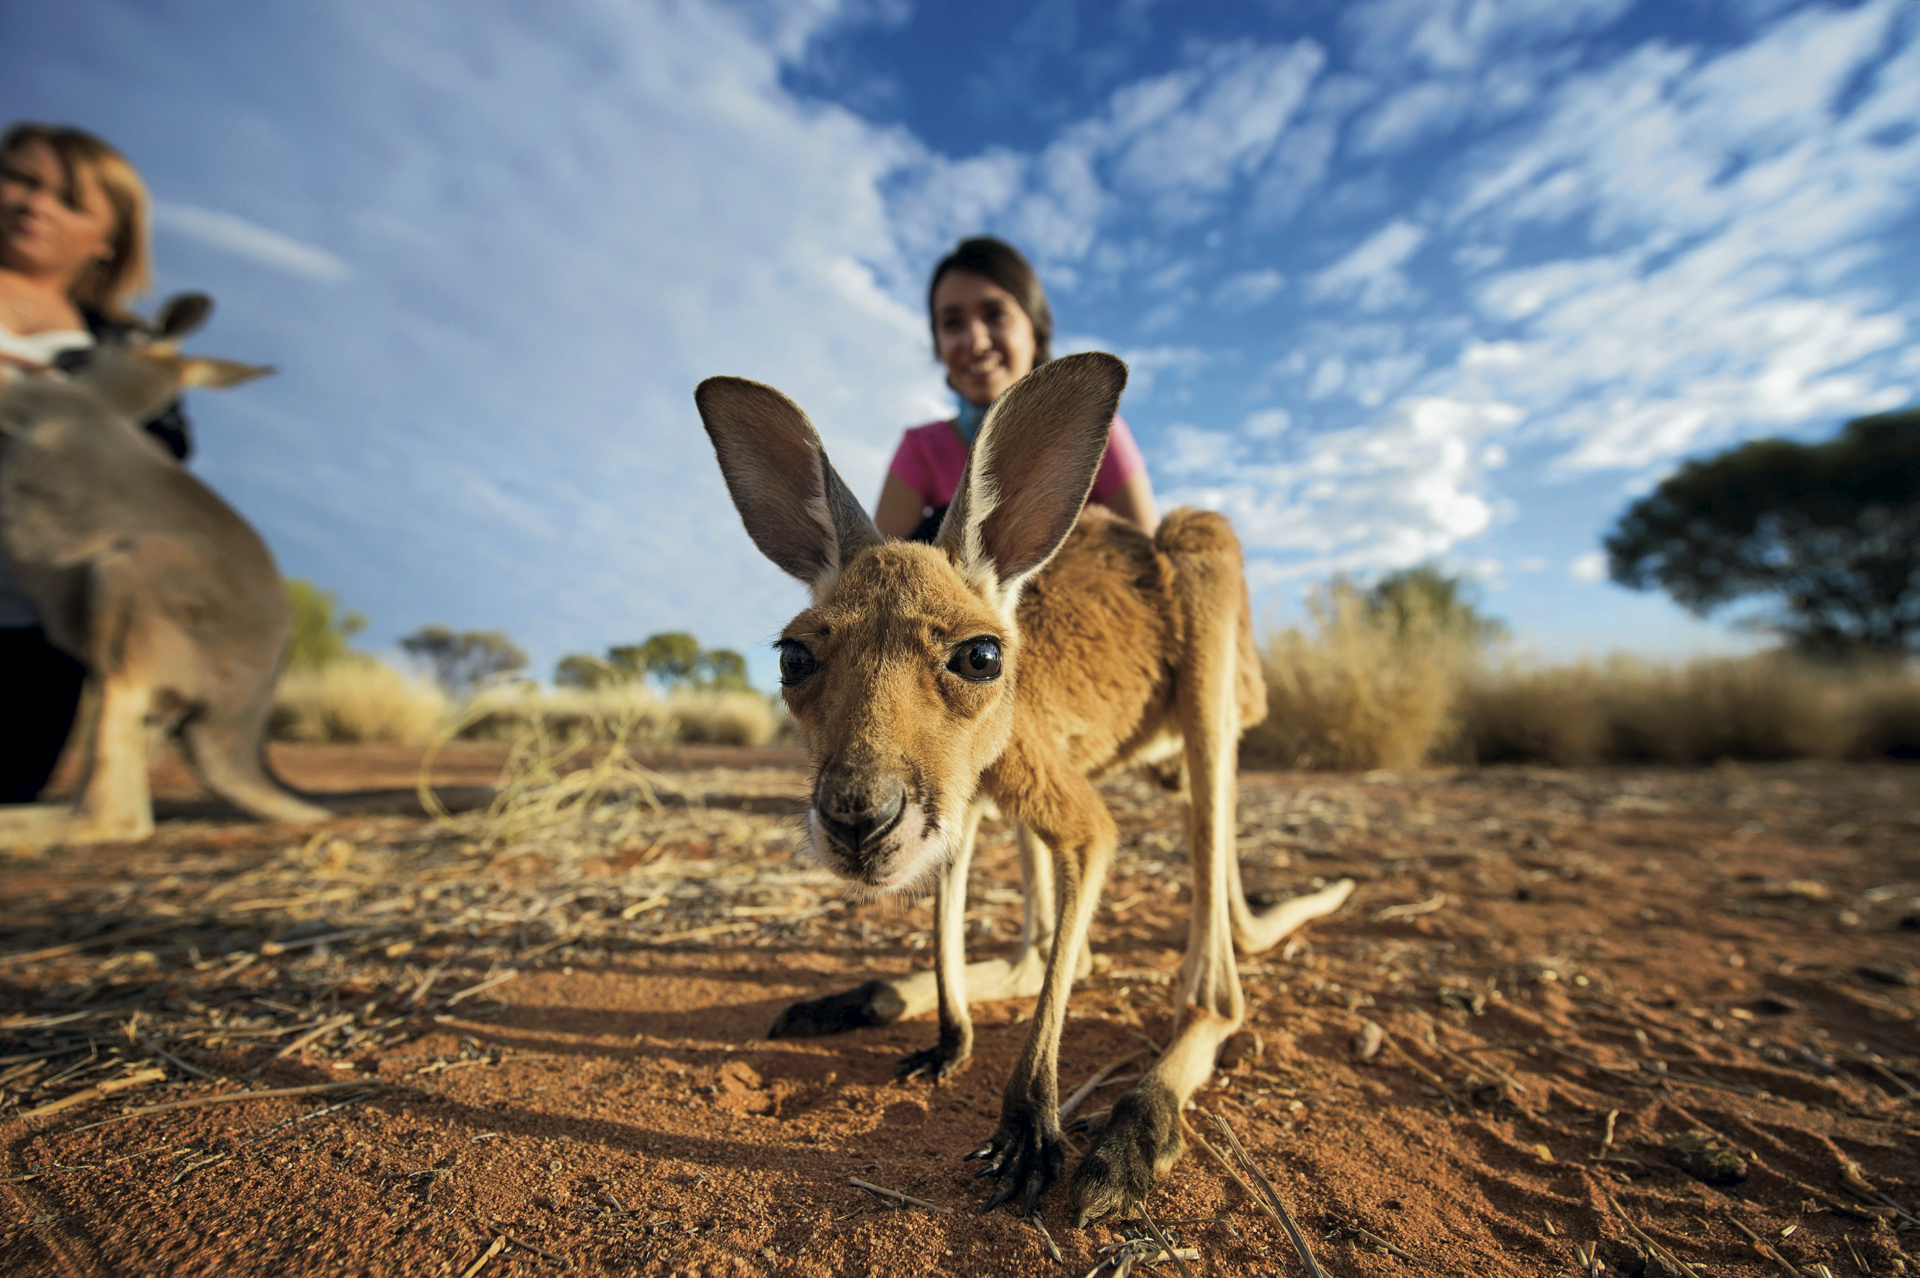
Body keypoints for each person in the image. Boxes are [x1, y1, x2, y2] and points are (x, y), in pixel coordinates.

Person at [0, 123, 189, 803]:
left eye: (69, 201)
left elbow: (162, 461)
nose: (33, 205)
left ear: (108, 239)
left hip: (37, 617)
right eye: (19, 178)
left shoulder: (128, 346)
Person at [874, 237, 1159, 543]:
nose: (976, 341)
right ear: (938, 344)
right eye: (953, 323)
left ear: (1035, 331)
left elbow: (1155, 567)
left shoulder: (1098, 433)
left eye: (995, 314)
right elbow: (869, 574)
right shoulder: (921, 448)